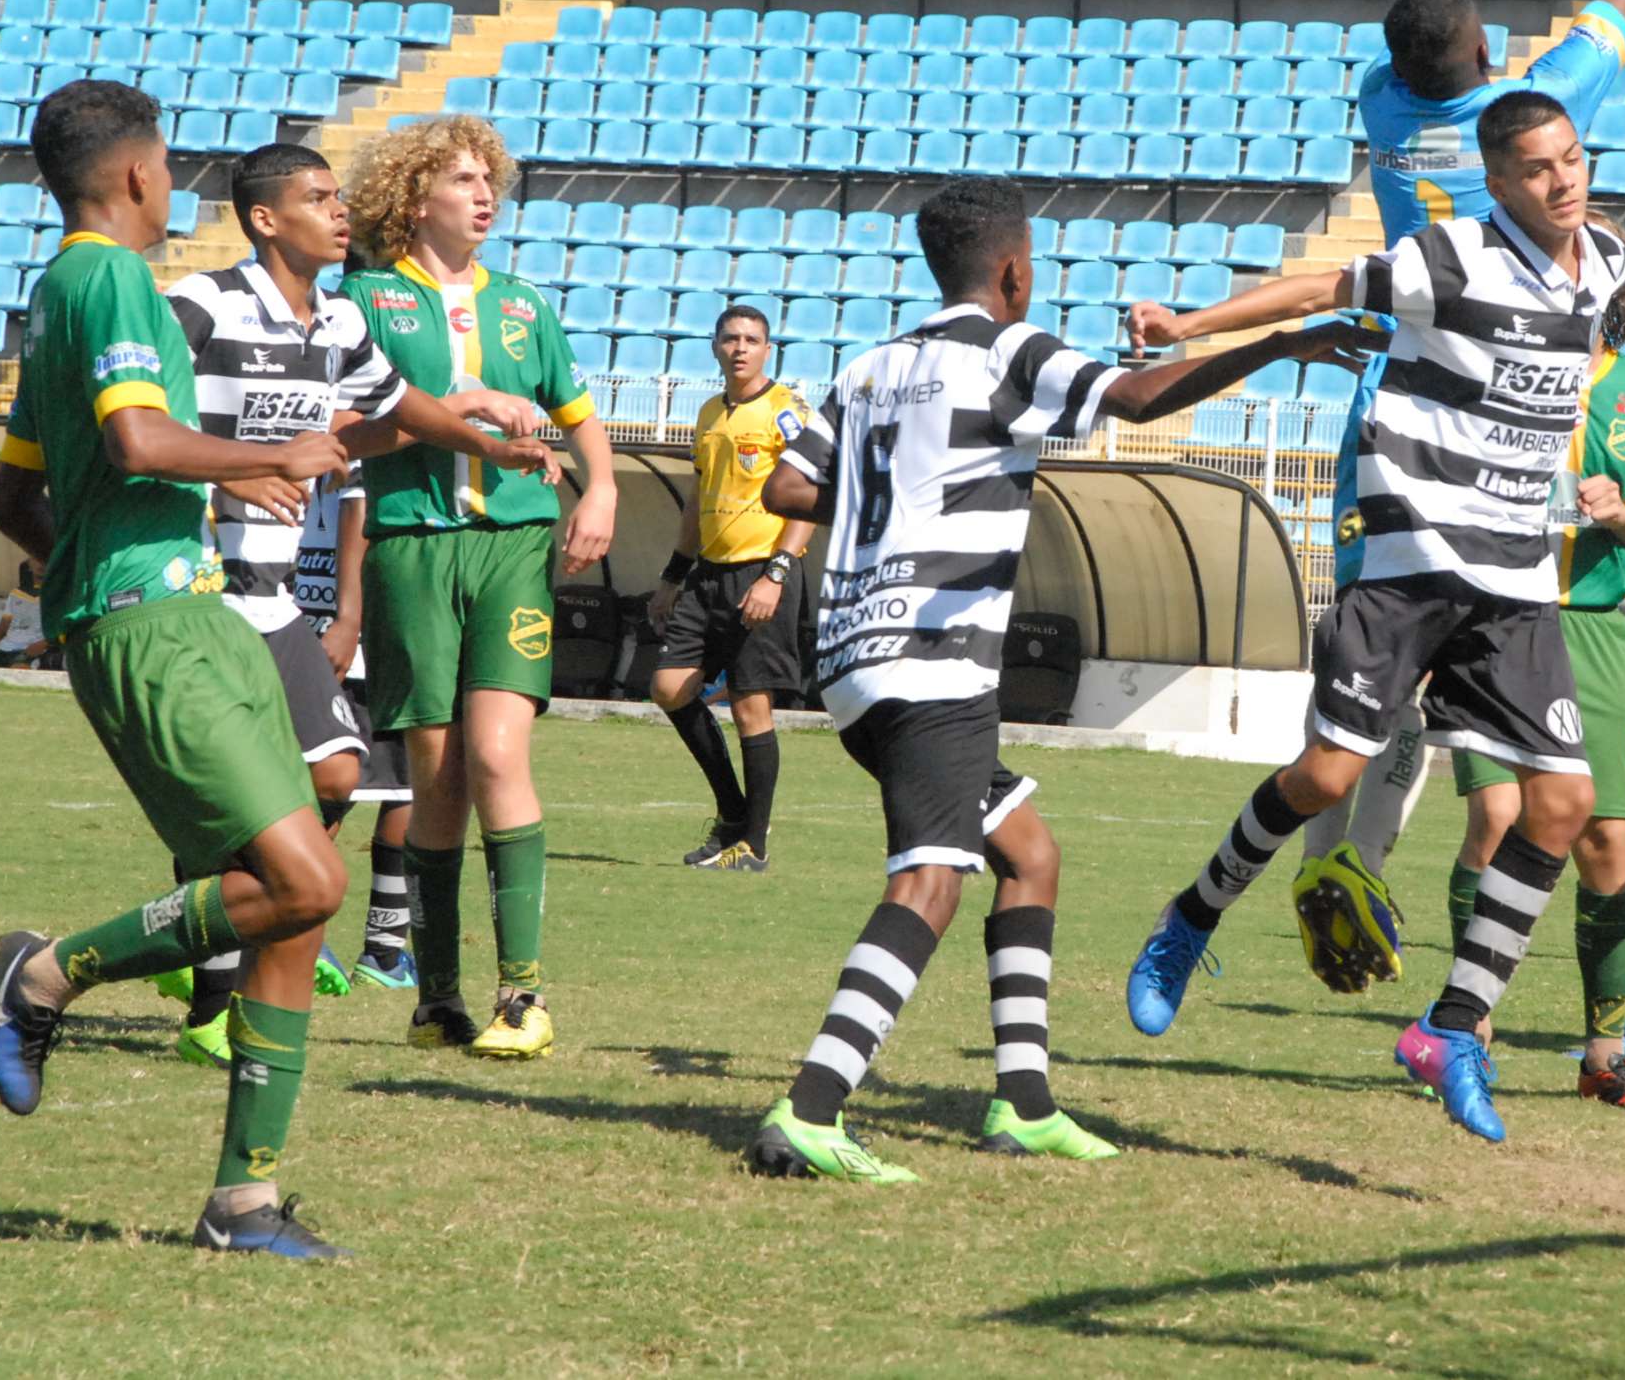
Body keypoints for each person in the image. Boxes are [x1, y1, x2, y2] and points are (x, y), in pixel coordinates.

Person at [1124, 89, 1625, 1149]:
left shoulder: (1605, 253)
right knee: (1324, 780)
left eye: (1571, 158)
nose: (1562, 180)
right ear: (1498, 183)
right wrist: (1186, 322)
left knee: (1562, 803)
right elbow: (1320, 283)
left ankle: (1453, 1028)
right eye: (1537, 169)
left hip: (1514, 580)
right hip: (1407, 559)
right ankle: (1192, 915)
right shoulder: (1452, 258)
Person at [746, 177, 1345, 1183]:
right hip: (934, 656)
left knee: (1029, 851)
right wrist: (1281, 345)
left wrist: (906, 490)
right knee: (931, 879)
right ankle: (811, 1106)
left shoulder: (868, 367)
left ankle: (1023, 1101)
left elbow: (784, 485)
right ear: (1015, 268)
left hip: (851, 655)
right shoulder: (1006, 351)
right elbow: (1139, 395)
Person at [0, 80, 356, 1258]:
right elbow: (141, 440)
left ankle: (243, 1201)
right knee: (306, 883)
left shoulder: (66, 297)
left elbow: (14, 498)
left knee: (289, 908)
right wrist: (264, 455)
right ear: (137, 173)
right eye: (172, 162)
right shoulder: (108, 279)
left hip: (182, 611)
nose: (180, 182)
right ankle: (44, 975)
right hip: (161, 625)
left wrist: (90, 579)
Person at [157, 142, 550, 1061]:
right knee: (242, 801)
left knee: (336, 775)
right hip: (199, 586)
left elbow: (399, 408)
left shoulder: (336, 319)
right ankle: (210, 998)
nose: (342, 214)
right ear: (264, 219)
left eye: (341, 197)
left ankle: (205, 950)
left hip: (277, 595)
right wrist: (241, 475)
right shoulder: (201, 305)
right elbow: (138, 425)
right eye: (319, 198)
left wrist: (481, 442)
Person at [338, 117, 617, 1061]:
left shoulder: (528, 305)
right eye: (462, 180)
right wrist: (460, 409)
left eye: (488, 179)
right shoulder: (365, 299)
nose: (484, 194)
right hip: (413, 546)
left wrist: (604, 492)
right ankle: (438, 998)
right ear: (415, 198)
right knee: (437, 771)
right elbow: (344, 427)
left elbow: (580, 416)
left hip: (512, 546)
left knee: (497, 756)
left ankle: (524, 996)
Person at [1435, 279, 1625, 1110]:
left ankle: (1604, 1058)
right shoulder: (1486, 367)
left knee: (1607, 844)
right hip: (1498, 618)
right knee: (1498, 817)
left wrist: (1619, 513)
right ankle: (1465, 1029)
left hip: (1592, 626)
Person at [651, 306, 813, 874]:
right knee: (670, 687)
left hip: (762, 571)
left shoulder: (785, 411)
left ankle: (754, 844)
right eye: (731, 338)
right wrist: (674, 576)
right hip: (709, 574)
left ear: (768, 350)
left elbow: (812, 492)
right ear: (715, 346)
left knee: (750, 707)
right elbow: (698, 498)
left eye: (752, 340)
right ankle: (733, 816)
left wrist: (779, 572)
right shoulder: (708, 413)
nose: (741, 348)